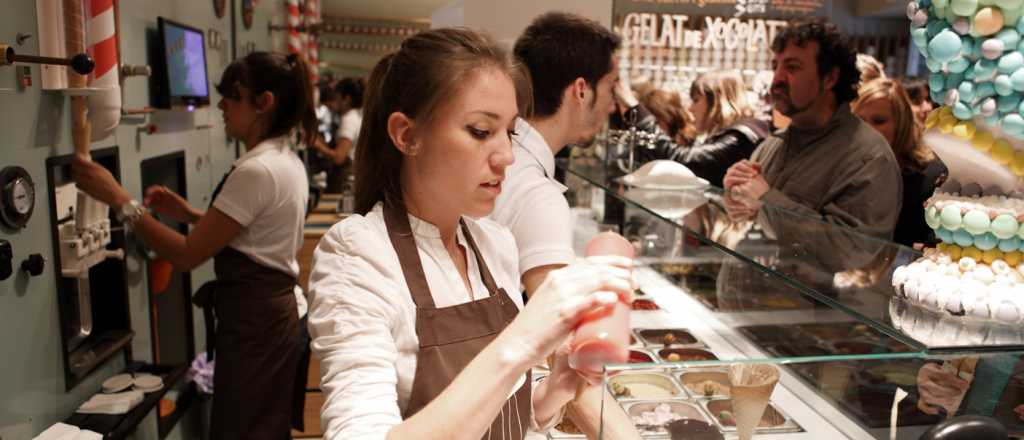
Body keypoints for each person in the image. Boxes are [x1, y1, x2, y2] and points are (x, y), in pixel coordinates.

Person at [306, 28, 634, 439]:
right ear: (406, 135)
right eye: (481, 131)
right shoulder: (357, 253)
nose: (507, 156)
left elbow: (501, 409)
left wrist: (550, 393)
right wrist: (522, 341)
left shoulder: (493, 243)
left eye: (510, 132)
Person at [72, 52, 315, 439]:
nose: (221, 105)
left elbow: (187, 256)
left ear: (263, 103)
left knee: (243, 430)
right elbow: (255, 234)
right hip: (270, 319)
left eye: (233, 96)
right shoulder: (284, 161)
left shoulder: (257, 169)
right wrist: (189, 215)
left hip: (257, 327)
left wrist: (119, 199)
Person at [723, 20, 903, 240]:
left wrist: (765, 200)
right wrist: (736, 198)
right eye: (775, 66)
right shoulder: (772, 144)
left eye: (792, 67)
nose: (777, 79)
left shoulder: (870, 157)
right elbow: (751, 221)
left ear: (829, 78)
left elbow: (853, 250)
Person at [490, 11, 622, 296]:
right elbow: (553, 322)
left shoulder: (500, 155)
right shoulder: (539, 196)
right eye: (612, 87)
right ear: (581, 91)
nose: (613, 105)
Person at [628, 71, 769, 188]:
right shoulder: (733, 134)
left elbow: (684, 161)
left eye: (696, 100)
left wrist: (639, 113)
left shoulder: (739, 137)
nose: (690, 108)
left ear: (717, 100)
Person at [853, 78, 946, 247]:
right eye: (860, 120)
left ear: (901, 124)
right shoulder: (846, 169)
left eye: (879, 121)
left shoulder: (931, 177)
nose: (866, 129)